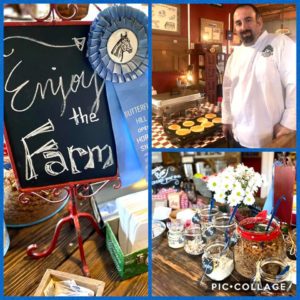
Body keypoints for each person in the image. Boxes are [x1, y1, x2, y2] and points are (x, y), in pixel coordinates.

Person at [222, 4, 296, 148]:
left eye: (248, 20)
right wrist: (227, 119)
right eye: (238, 23)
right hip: (238, 134)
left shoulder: (280, 43)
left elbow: (295, 83)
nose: (243, 27)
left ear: (259, 22)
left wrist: (289, 123)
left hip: (271, 135)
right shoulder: (234, 56)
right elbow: (227, 90)